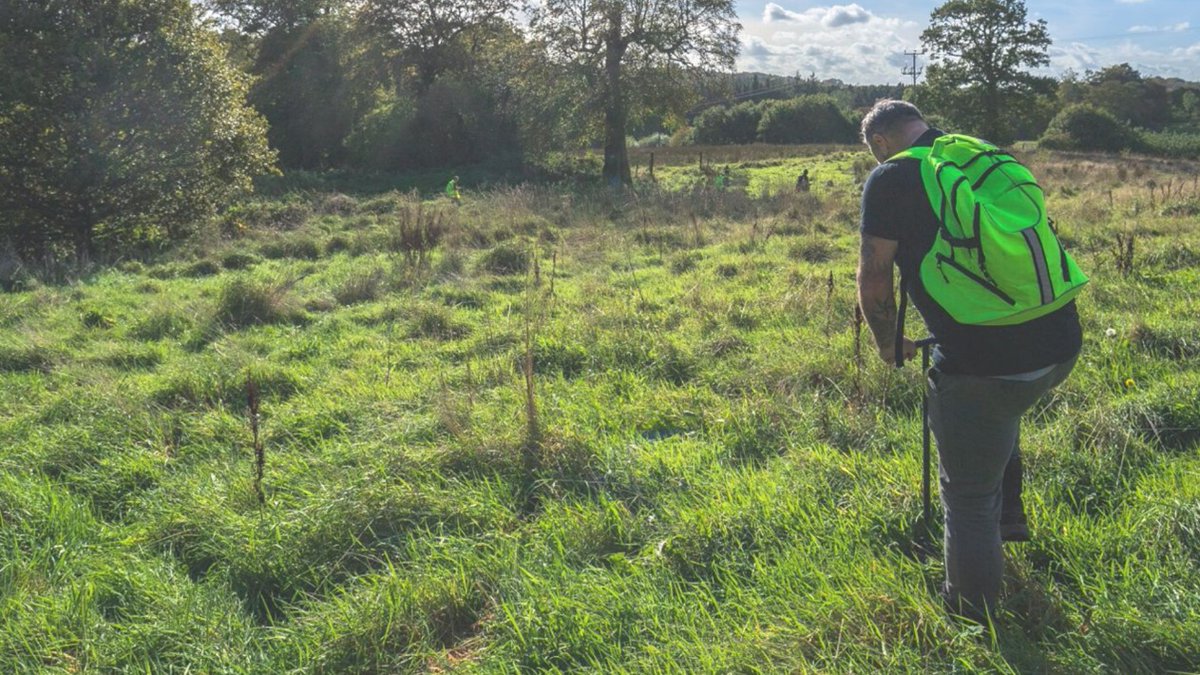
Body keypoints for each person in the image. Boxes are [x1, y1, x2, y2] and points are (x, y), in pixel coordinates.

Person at [855, 100, 1082, 621]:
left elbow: (874, 278)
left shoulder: (891, 176)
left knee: (968, 497)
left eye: (873, 153)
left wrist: (888, 344)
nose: (875, 160)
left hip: (984, 365)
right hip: (1060, 343)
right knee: (1000, 413)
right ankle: (1011, 525)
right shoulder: (980, 155)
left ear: (883, 142)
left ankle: (971, 616)